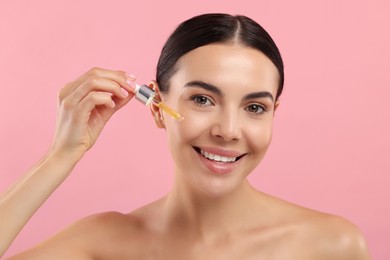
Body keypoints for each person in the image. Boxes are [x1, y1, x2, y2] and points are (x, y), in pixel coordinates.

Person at [0, 13, 370, 259]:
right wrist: (60, 156)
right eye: (202, 99)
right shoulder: (102, 244)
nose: (228, 130)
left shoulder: (332, 245)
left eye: (255, 107)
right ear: (157, 106)